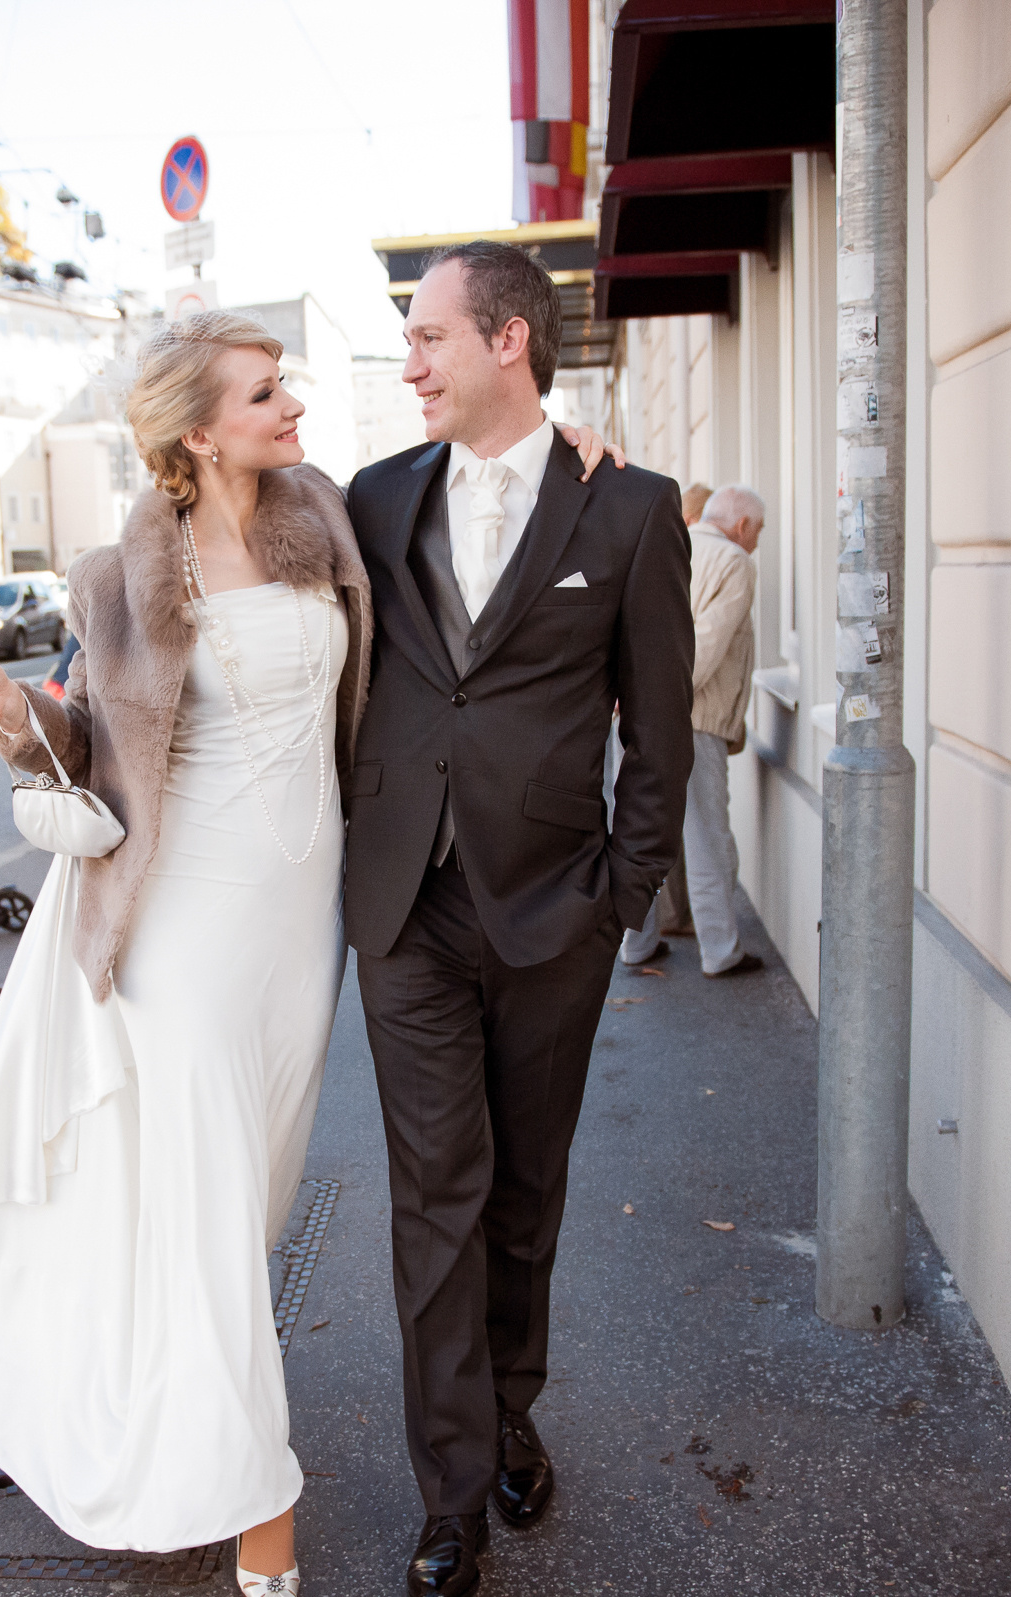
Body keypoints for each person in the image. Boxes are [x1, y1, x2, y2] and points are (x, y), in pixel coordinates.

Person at [0, 312, 620, 1595]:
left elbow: (481, 518)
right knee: (216, 1220)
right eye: (267, 392)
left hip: (305, 926)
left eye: (285, 387)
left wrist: (572, 458)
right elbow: (101, 743)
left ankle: (169, 1443)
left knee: (249, 1201)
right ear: (195, 428)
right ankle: (256, 1521)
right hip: (186, 922)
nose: (294, 408)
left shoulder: (333, 516)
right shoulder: (121, 575)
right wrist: (13, 713)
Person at [343, 240, 693, 1596]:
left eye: (429, 336)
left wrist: (625, 898)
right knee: (438, 1195)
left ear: (509, 344)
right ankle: (451, 1499)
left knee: (525, 1192)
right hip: (405, 906)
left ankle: (509, 1414)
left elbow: (658, 736)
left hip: (558, 910)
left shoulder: (630, 509)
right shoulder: (371, 500)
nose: (410, 361)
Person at [622, 485, 766, 975]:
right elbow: (703, 643)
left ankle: (636, 945)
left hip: (638, 716)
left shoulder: (670, 544)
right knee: (707, 836)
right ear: (742, 526)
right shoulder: (734, 561)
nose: (758, 541)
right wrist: (665, 707)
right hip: (692, 718)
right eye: (759, 530)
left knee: (637, 834)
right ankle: (721, 952)